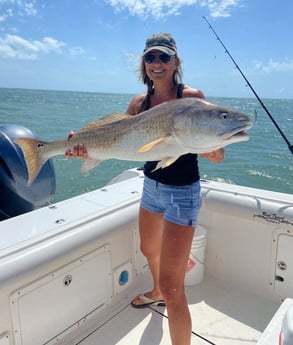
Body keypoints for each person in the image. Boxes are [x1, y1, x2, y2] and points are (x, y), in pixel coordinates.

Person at [66, 33, 224, 345]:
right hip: (151, 186)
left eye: (164, 57)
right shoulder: (139, 103)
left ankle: (167, 303)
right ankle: (154, 293)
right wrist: (84, 146)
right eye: (151, 58)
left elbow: (217, 155)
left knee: (174, 286)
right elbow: (118, 139)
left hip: (182, 192)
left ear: (176, 62)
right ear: (144, 63)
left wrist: (212, 149)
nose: (157, 63)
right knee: (148, 250)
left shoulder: (191, 97)